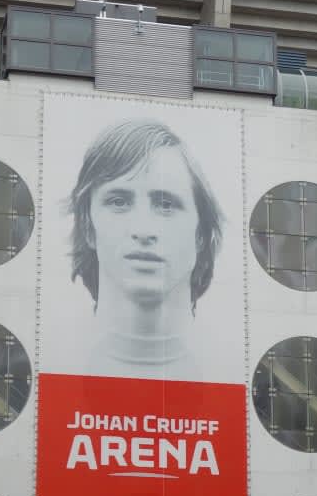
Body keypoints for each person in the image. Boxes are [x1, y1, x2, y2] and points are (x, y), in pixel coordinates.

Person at [64, 117, 225, 379]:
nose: (143, 230)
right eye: (118, 201)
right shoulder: (60, 360)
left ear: (200, 234)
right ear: (87, 226)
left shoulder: (223, 368)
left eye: (166, 204)